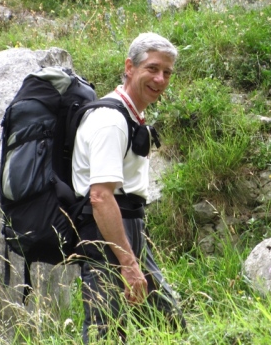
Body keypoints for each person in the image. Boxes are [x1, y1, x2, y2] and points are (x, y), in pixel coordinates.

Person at [72, 32, 186, 342]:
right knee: (106, 330)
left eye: (167, 72)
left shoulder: (130, 115)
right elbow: (100, 196)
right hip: (107, 232)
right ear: (129, 67)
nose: (160, 79)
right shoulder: (110, 120)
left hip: (128, 227)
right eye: (152, 68)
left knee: (168, 321)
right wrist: (129, 263)